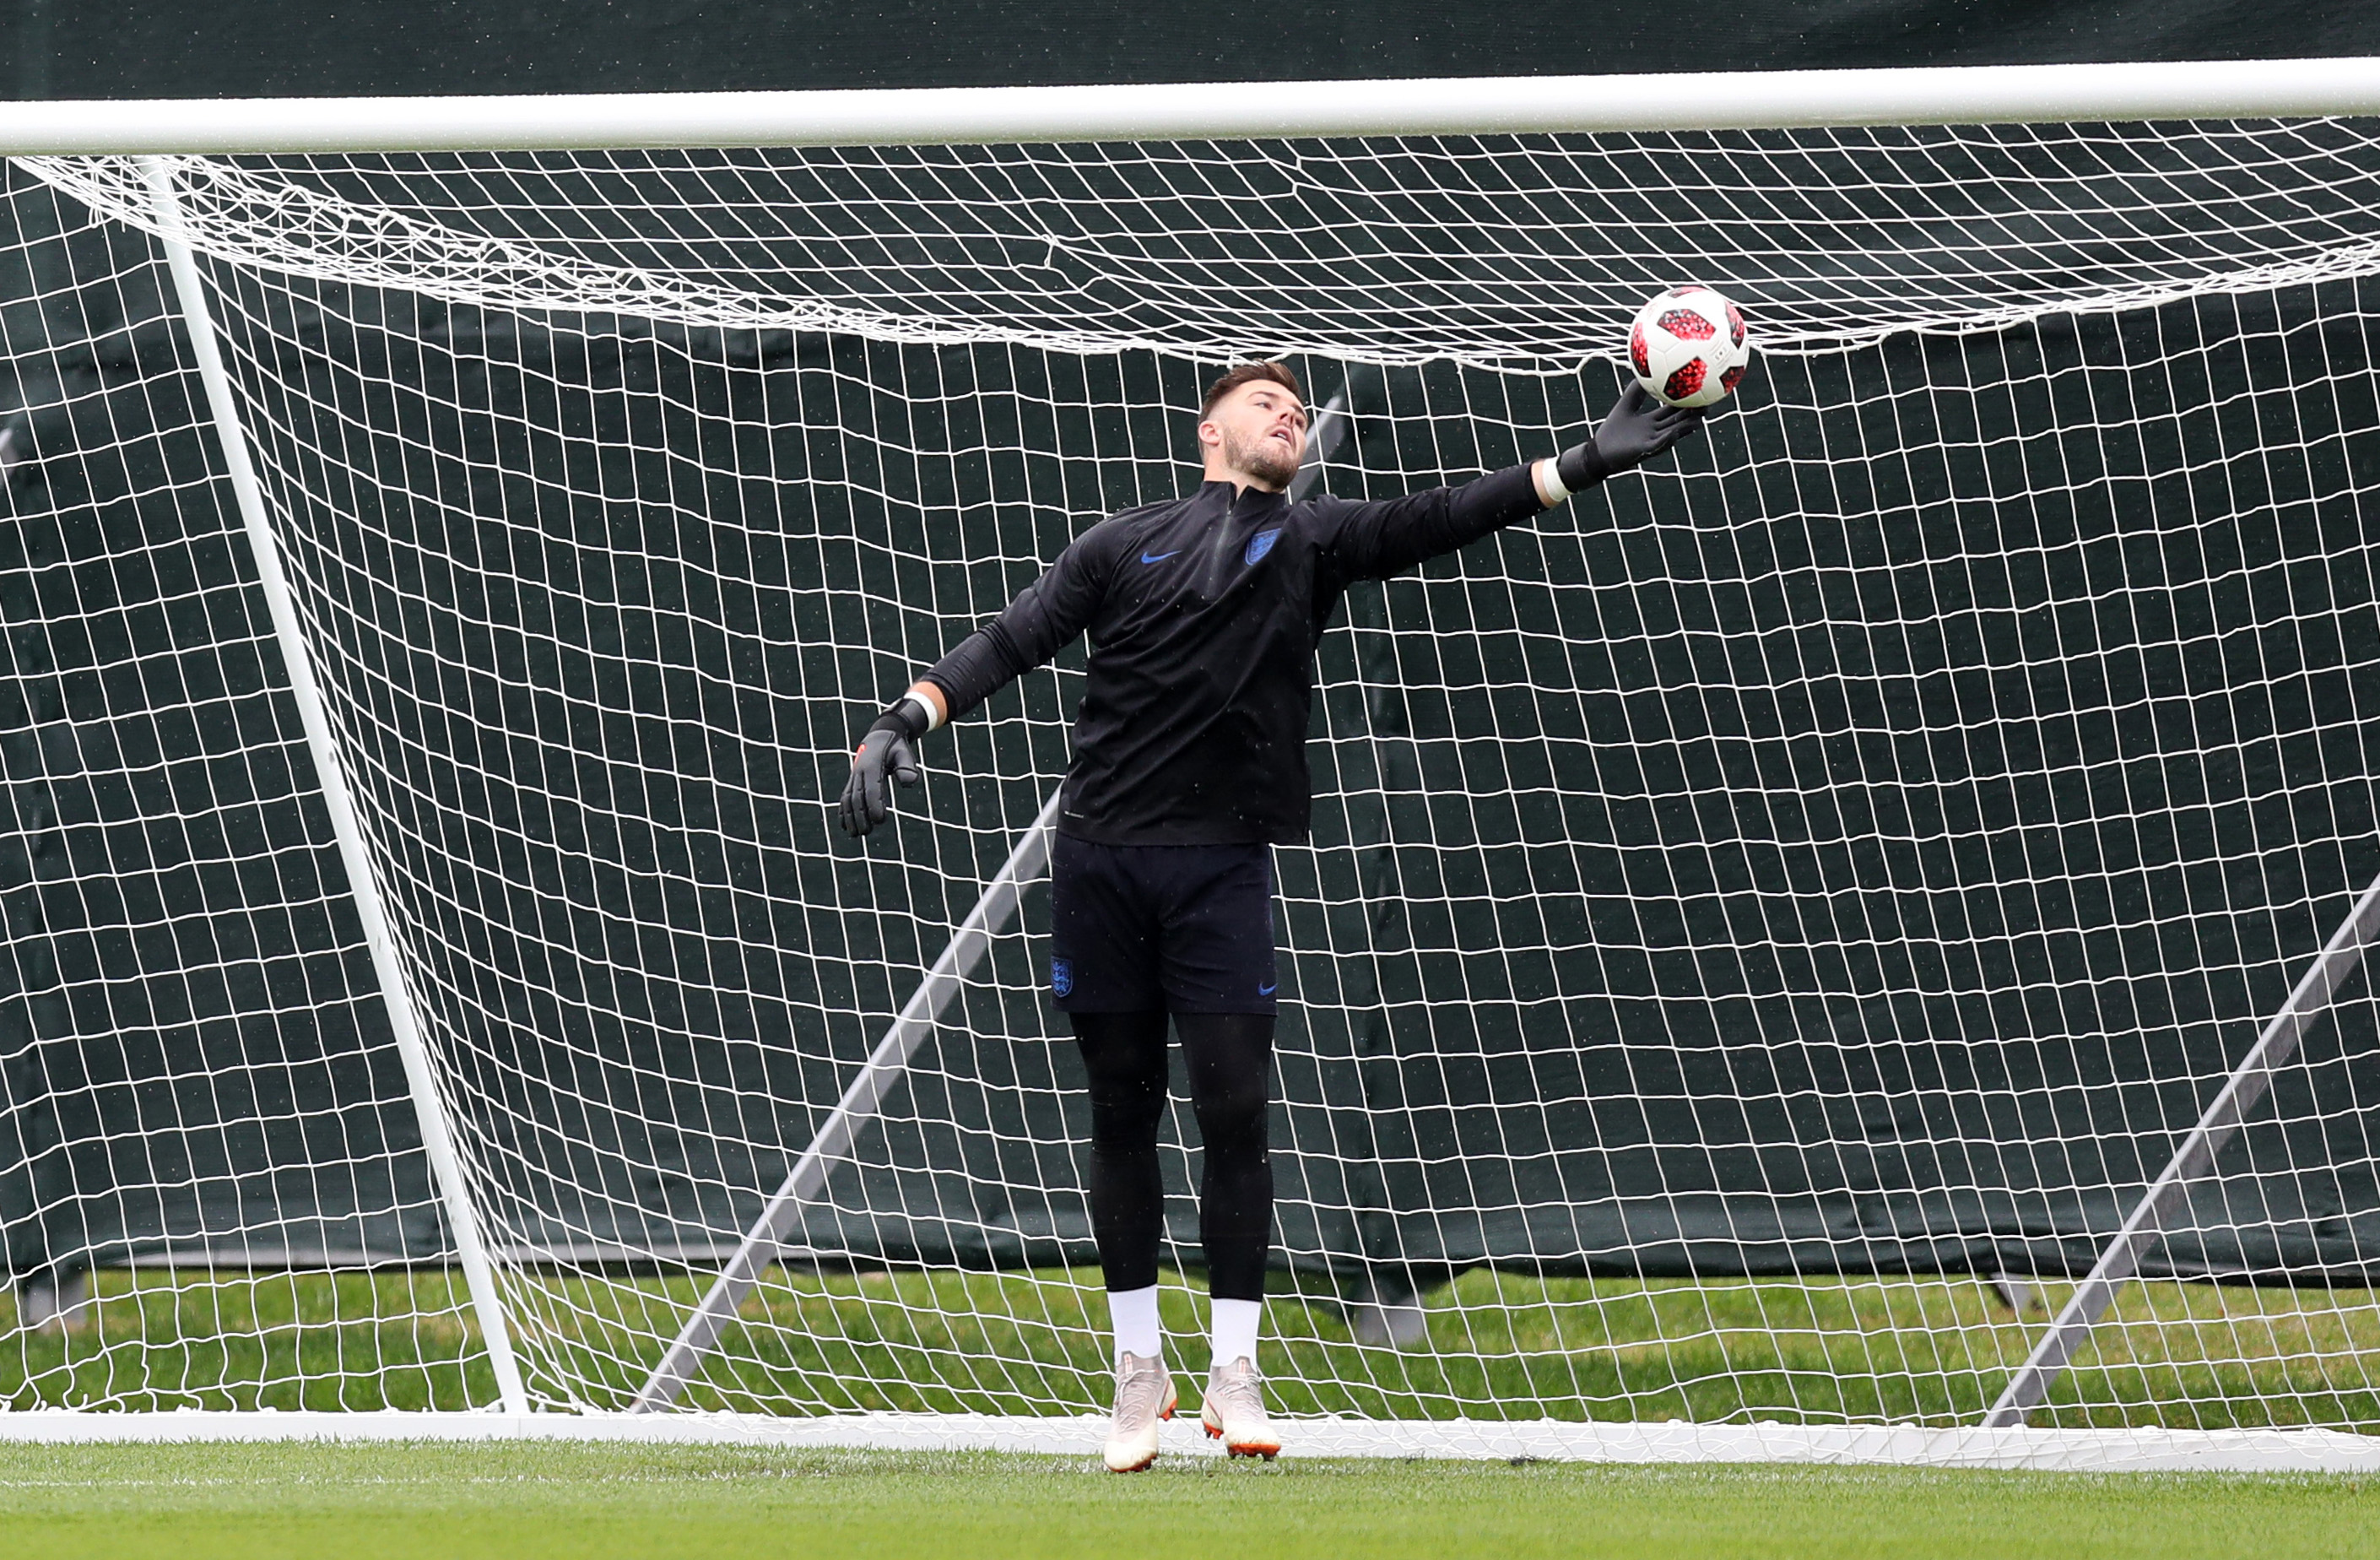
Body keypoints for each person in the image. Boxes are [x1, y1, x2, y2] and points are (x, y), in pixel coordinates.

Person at [839, 362, 1703, 1471]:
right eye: (1265, 402)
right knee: (1121, 1117)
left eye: (1298, 406)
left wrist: (1580, 463)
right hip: (1103, 864)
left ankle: (1233, 1374)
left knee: (1237, 1114)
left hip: (1222, 872)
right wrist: (907, 716)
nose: (1287, 412)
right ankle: (1136, 1373)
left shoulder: (1314, 540)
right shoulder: (1122, 543)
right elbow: (1013, 640)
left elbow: (1446, 517)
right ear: (1210, 431)